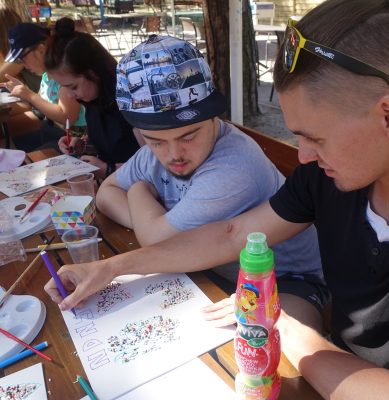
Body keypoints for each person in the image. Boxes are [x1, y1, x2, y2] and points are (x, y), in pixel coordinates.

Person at [45, 0, 389, 398]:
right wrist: (110, 268)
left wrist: (278, 320)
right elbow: (232, 234)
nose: (302, 156)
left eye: (314, 137)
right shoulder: (331, 175)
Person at [95, 35, 327, 327]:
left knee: (255, 340)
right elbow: (106, 194)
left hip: (288, 282)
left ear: (214, 118)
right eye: (155, 141)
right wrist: (150, 221)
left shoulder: (234, 165)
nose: (174, 154)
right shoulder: (152, 155)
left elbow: (157, 241)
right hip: (211, 272)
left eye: (189, 136)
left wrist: (138, 191)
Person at [44, 17, 142, 179]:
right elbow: (109, 141)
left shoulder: (132, 102)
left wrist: (110, 169)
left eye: (73, 86)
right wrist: (84, 144)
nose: (69, 95)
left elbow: (156, 163)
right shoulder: (94, 100)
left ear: (94, 72)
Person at [0, 22, 85, 152]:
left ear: (41, 50)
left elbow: (67, 118)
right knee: (10, 146)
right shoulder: (46, 76)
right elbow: (40, 104)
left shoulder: (63, 78)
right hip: (51, 130)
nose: (22, 65)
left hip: (71, 139)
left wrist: (30, 95)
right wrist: (23, 92)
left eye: (22, 59)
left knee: (22, 156)